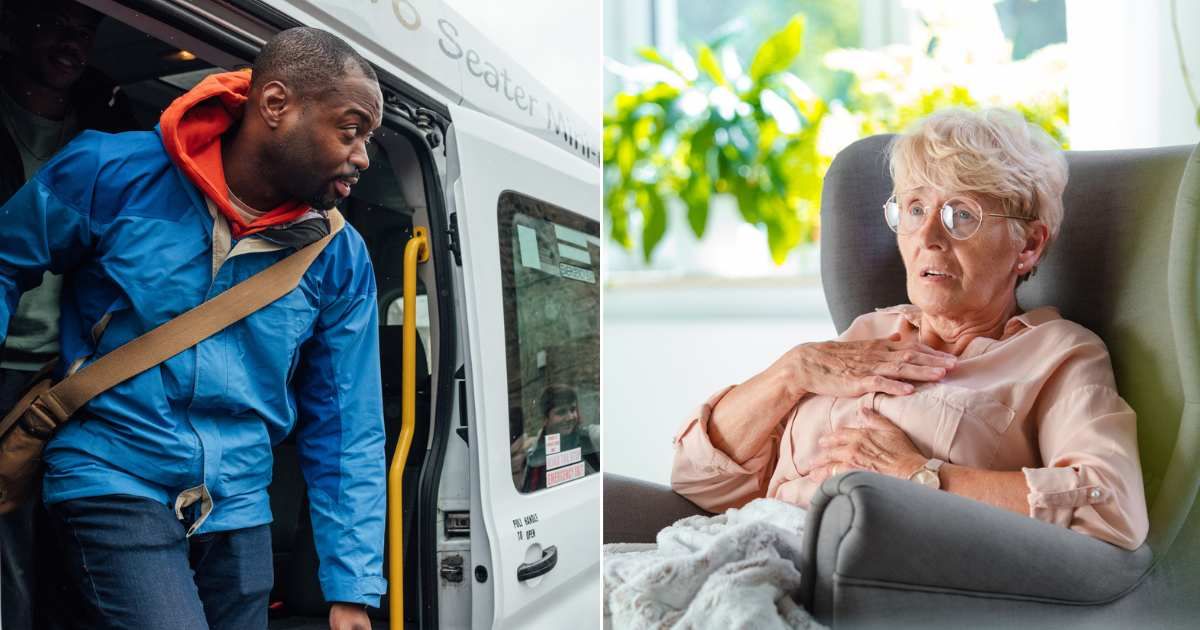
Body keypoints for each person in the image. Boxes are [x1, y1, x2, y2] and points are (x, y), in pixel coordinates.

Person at [0, 27, 387, 629]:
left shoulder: (339, 256)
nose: (362, 155)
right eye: (352, 128)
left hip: (240, 505)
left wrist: (352, 587)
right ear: (277, 105)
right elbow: (5, 259)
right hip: (112, 472)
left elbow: (348, 425)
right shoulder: (110, 170)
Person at [671, 108, 1149, 551]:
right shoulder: (867, 333)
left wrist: (921, 475)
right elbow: (698, 481)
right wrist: (792, 371)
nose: (928, 238)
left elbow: (1111, 506)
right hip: (750, 546)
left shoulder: (1058, 354)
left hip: (883, 585)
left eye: (962, 215)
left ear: (1027, 245)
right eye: (916, 209)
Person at [0, 2, 136, 628]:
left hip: (64, 373)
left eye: (85, 31)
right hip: (5, 359)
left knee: (55, 531)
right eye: (57, 24)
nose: (71, 42)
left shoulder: (107, 140)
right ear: (16, 27)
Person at [522, 384, 599, 492]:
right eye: (561, 412)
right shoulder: (535, 454)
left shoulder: (591, 437)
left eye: (572, 410)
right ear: (545, 419)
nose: (570, 417)